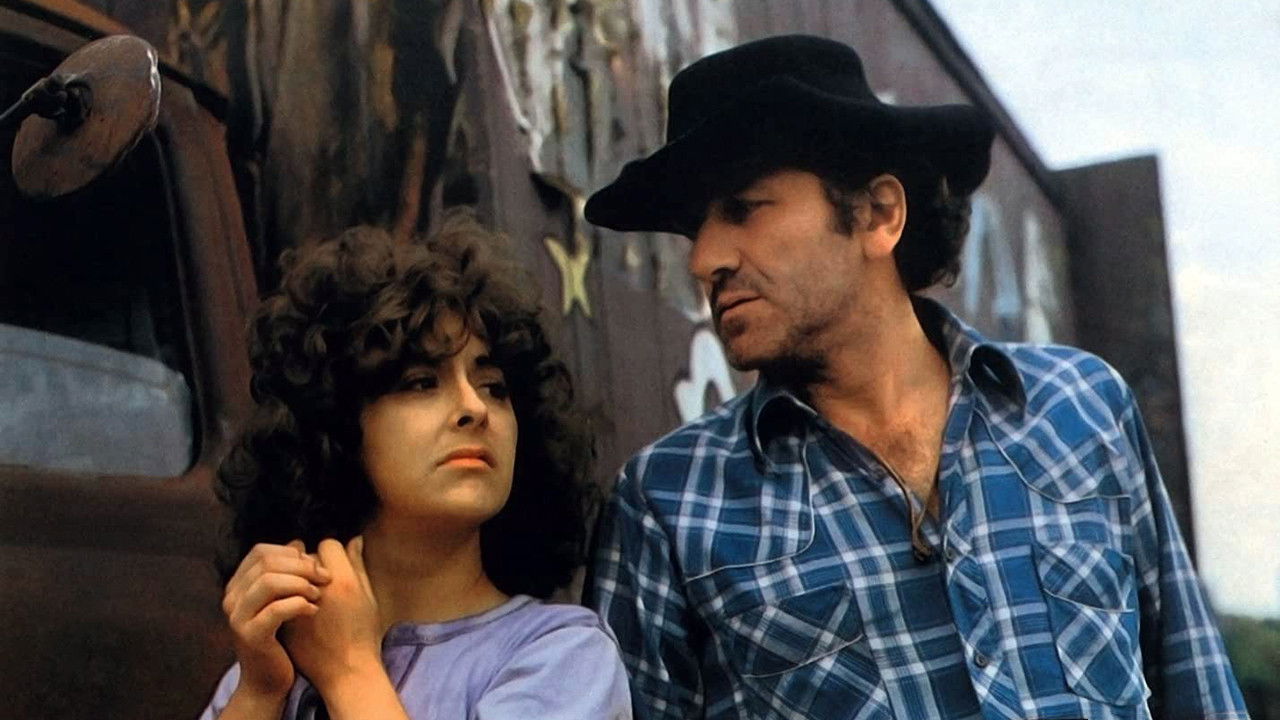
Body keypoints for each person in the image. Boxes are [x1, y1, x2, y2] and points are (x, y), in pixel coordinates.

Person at [583, 34, 1248, 720]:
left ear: (879, 215)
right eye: (693, 229)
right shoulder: (670, 501)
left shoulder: (1080, 405)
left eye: (743, 209)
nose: (705, 259)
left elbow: (1195, 681)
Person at [200, 214, 631, 719]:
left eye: (495, 387)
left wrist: (351, 670)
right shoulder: (272, 672)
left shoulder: (564, 656)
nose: (474, 408)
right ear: (337, 421)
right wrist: (259, 691)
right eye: (423, 382)